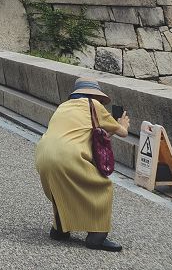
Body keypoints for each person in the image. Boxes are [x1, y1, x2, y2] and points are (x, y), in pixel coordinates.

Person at [36, 79, 132, 252]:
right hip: (67, 155)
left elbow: (92, 135)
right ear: (95, 95)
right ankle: (97, 236)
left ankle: (60, 230)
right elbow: (122, 133)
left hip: (43, 153)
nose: (102, 103)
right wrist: (123, 124)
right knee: (102, 188)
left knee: (61, 189)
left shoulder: (63, 107)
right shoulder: (93, 104)